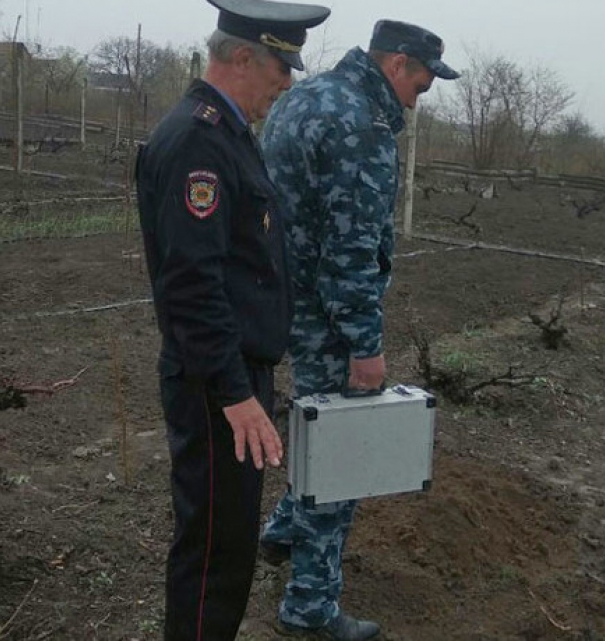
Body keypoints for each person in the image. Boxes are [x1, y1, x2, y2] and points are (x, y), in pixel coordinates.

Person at [258, 19, 459, 641]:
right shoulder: (361, 124)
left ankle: (283, 530)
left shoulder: (303, 97)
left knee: (310, 421)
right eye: (420, 86)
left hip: (284, 297)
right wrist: (365, 345)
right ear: (397, 65)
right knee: (340, 453)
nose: (416, 100)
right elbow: (349, 248)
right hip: (326, 314)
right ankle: (310, 606)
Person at [135, 1, 329, 638]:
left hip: (231, 377)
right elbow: (192, 286)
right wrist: (235, 393)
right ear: (243, 56)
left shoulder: (226, 134)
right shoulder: (199, 141)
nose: (287, 81)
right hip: (216, 384)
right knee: (215, 553)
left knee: (229, 543)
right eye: (281, 65)